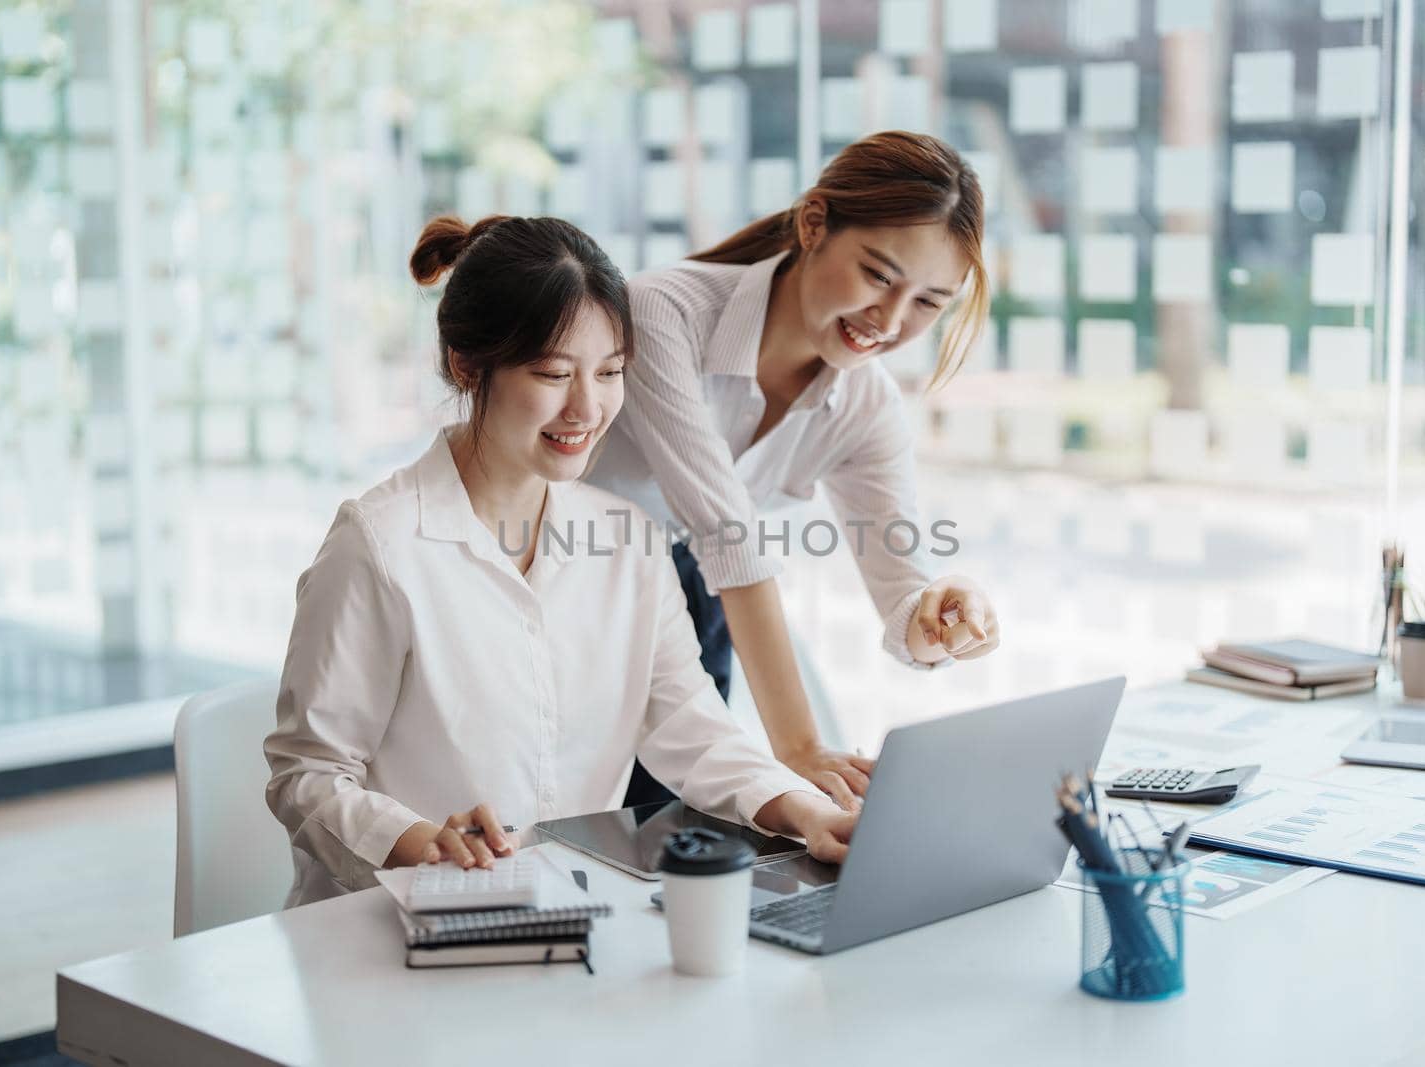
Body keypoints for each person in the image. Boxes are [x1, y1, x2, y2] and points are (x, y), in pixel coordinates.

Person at [265, 214, 854, 908]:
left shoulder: (628, 540)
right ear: (466, 364)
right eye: (553, 373)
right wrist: (418, 840)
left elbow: (689, 728)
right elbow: (307, 773)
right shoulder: (379, 544)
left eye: (610, 373)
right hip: (388, 929)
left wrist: (808, 811)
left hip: (567, 915)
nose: (588, 407)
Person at [587, 131, 1000, 812]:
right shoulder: (664, 313)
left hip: (691, 615)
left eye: (929, 302)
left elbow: (903, 600)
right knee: (559, 836)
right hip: (568, 598)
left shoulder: (866, 405)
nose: (891, 321)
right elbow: (727, 533)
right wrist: (799, 747)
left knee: (663, 850)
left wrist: (943, 612)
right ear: (814, 225)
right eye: (877, 275)